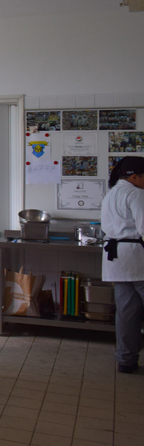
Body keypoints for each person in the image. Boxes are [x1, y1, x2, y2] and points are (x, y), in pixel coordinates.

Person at [101, 156, 144, 373]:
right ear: (134, 177)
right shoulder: (136, 194)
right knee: (128, 311)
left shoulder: (111, 194)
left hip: (116, 258)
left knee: (127, 312)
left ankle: (126, 360)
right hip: (136, 258)